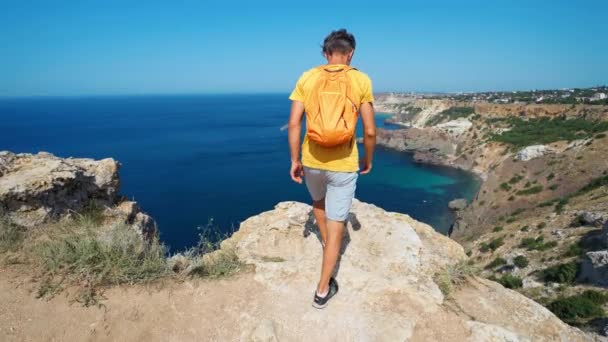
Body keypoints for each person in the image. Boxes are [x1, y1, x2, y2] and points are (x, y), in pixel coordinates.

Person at [287, 29, 376, 309]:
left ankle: (327, 245)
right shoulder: (361, 79)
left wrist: (294, 160)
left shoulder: (307, 77)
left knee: (318, 202)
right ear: (350, 53)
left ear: (325, 53)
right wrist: (368, 159)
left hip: (311, 160)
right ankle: (322, 290)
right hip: (344, 163)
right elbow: (370, 131)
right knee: (338, 225)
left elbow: (293, 124)